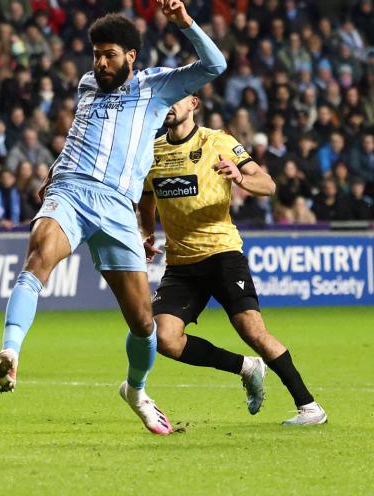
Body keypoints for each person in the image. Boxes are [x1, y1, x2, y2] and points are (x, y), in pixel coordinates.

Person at [0, 0, 227, 436]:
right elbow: (81, 137)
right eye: (96, 55)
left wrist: (186, 23)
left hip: (119, 207)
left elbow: (215, 65)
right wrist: (52, 173)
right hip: (72, 191)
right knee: (38, 257)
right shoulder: (86, 86)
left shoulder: (157, 86)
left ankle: (136, 389)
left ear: (130, 57)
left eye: (109, 55)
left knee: (143, 324)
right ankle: (10, 353)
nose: (100, 63)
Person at [137, 93, 326, 426]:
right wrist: (146, 234)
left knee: (252, 330)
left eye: (176, 99)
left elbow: (267, 184)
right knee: (164, 338)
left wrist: (239, 178)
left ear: (193, 103)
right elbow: (147, 198)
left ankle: (309, 407)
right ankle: (246, 367)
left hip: (223, 254)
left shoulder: (219, 141)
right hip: (181, 264)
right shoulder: (152, 151)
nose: (169, 105)